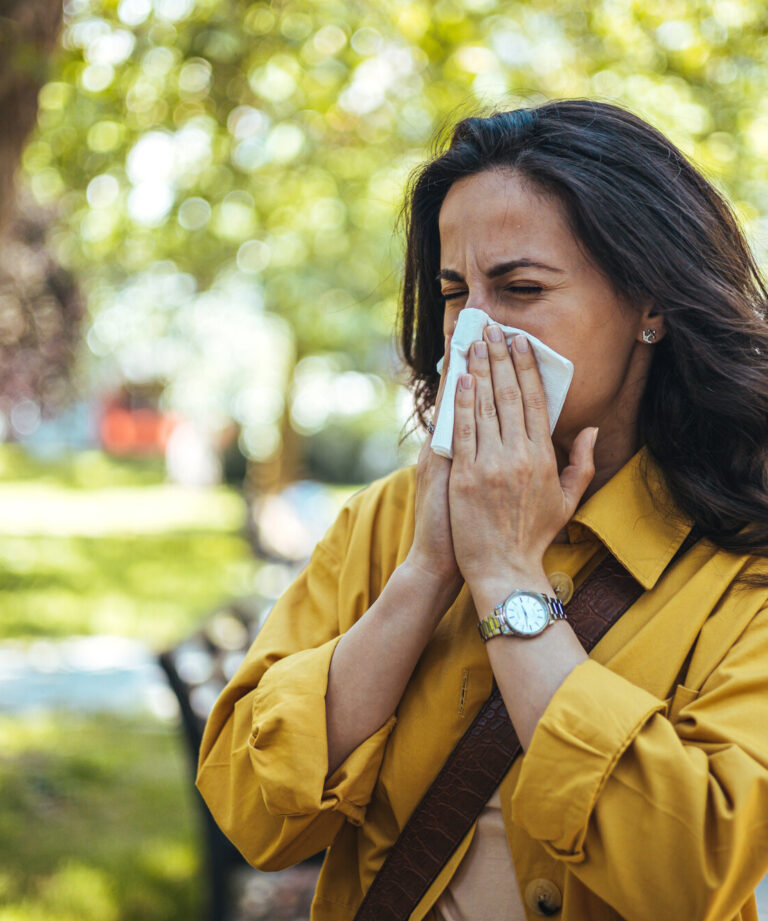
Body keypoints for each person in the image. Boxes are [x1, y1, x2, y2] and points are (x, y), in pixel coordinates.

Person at [196, 99, 768, 921]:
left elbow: (690, 870)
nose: (478, 333)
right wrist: (427, 571)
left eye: (523, 288)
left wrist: (505, 577)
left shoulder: (741, 559)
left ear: (652, 304)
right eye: (457, 293)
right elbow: (250, 810)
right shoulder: (388, 520)